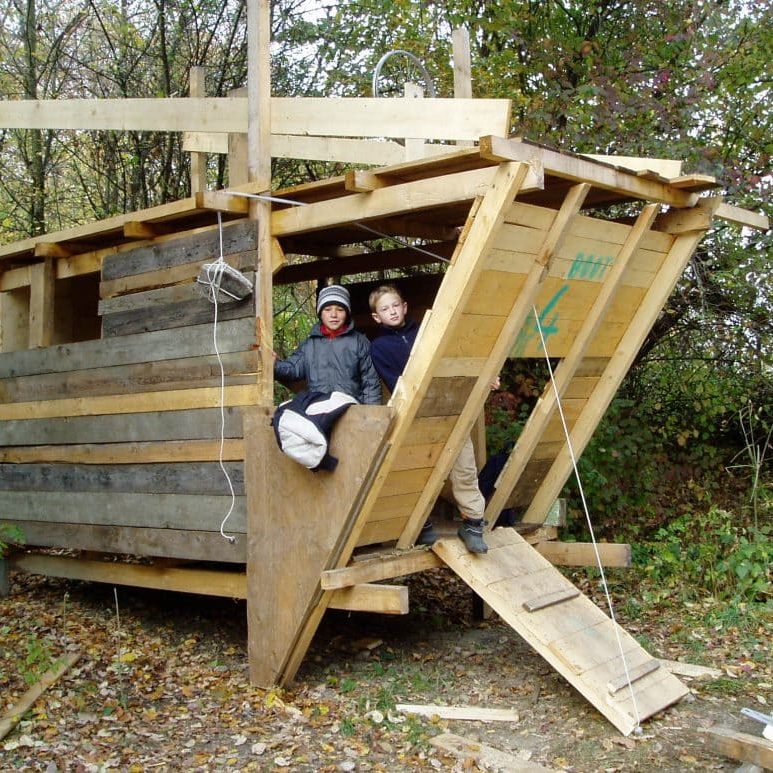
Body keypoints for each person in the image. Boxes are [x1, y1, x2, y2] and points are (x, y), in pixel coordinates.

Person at [369, 284, 493, 553]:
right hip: (416, 417)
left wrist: (483, 377)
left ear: (404, 307)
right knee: (416, 472)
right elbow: (396, 383)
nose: (391, 311)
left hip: (450, 409)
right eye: (384, 309)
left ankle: (472, 524)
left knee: (464, 468)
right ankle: (419, 525)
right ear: (376, 317)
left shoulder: (428, 333)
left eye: (394, 306)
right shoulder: (378, 347)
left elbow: (458, 358)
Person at [275, 284, 382, 406]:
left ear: (347, 313)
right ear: (320, 313)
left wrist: (370, 416)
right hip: (318, 409)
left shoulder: (359, 342)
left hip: (350, 409)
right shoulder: (310, 344)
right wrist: (273, 365)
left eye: (340, 310)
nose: (334, 315)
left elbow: (370, 382)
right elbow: (293, 368)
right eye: (327, 309)